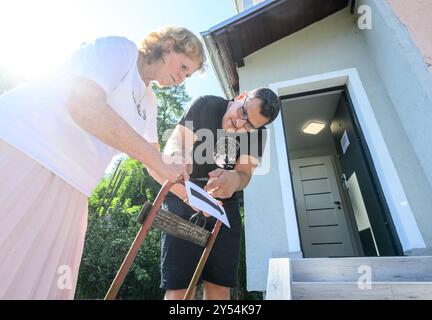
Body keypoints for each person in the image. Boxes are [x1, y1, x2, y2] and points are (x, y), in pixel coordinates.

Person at [0, 26, 206, 299]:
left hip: (74, 186)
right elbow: (84, 106)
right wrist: (160, 160)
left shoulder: (150, 102)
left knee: (43, 284)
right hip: (25, 150)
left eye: (188, 75)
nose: (182, 77)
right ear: (168, 44)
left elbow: (153, 163)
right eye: (183, 66)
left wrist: (195, 199)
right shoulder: (121, 50)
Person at [155, 88, 281, 300]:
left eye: (250, 126)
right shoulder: (206, 104)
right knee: (179, 287)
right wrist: (176, 155)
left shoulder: (259, 135)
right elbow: (177, 141)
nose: (241, 125)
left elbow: (244, 175)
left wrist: (233, 179)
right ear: (241, 97)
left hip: (223, 205)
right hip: (184, 192)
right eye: (243, 113)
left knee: (219, 287)